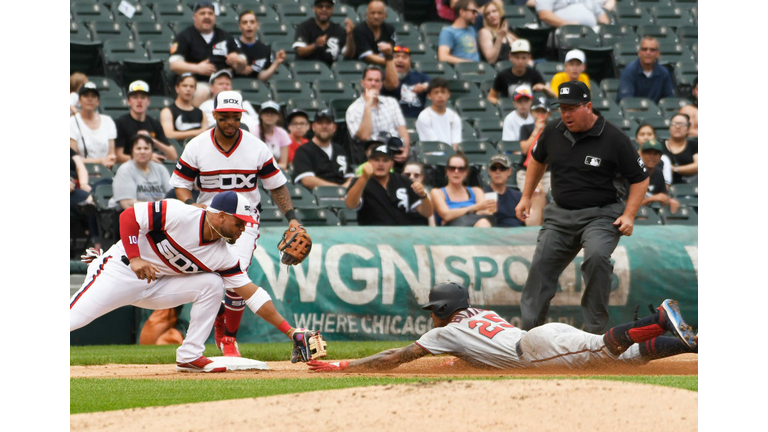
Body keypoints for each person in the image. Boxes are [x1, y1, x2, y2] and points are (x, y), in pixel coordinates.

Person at [70, 191, 316, 372]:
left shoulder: (222, 256)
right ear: (221, 217)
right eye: (239, 222)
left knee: (212, 283)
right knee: (74, 319)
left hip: (156, 284)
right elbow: (128, 217)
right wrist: (135, 258)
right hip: (121, 271)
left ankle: (190, 356)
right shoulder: (181, 213)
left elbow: (251, 293)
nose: (243, 229)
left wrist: (291, 331)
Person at [170, 91, 307, 358]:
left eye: (235, 117)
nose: (230, 122)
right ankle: (217, 317)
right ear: (215, 116)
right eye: (225, 117)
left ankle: (229, 337)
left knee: (237, 278)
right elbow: (181, 184)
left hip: (244, 220)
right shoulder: (197, 145)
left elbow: (276, 186)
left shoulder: (256, 146)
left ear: (241, 115)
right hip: (207, 219)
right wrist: (189, 206)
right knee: (202, 278)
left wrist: (292, 218)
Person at [308, 282, 697, 372]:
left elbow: (396, 357)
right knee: (625, 359)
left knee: (602, 349)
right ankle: (692, 343)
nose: (430, 314)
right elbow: (479, 349)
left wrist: (343, 365)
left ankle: (659, 318)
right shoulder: (478, 314)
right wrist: (467, 360)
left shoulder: (443, 332)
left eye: (433, 308)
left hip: (536, 351)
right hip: (540, 339)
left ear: (445, 309)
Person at [515, 81, 650, 334]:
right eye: (562, 108)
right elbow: (536, 159)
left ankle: (594, 334)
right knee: (540, 265)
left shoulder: (614, 138)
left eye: (572, 108)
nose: (565, 114)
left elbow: (641, 178)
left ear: (588, 106)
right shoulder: (553, 130)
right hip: (560, 215)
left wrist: (629, 215)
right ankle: (530, 335)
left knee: (597, 258)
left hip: (601, 215)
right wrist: (525, 197)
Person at [168, 1, 247, 106]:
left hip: (221, 83)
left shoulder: (225, 37)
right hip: (196, 83)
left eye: (210, 13)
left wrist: (238, 60)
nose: (207, 16)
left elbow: (242, 66)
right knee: (203, 91)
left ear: (215, 17)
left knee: (237, 95)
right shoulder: (185, 36)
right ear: (194, 16)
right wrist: (197, 68)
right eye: (202, 13)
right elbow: (174, 65)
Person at [344, 136, 433, 225]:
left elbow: (427, 213)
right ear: (369, 161)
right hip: (371, 235)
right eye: (376, 160)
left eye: (385, 160)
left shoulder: (402, 180)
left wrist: (423, 195)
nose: (380, 164)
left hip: (401, 234)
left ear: (392, 164)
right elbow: (350, 204)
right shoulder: (360, 181)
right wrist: (364, 178)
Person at [345, 65, 410, 166]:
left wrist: (405, 150)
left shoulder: (391, 102)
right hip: (371, 154)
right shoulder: (353, 109)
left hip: (394, 151)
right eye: (369, 80)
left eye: (377, 80)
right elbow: (364, 136)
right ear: (362, 83)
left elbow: (402, 129)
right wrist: (368, 105)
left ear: (381, 84)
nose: (373, 84)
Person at [114, 81, 178, 164]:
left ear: (148, 101)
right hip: (129, 167)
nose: (139, 101)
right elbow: (118, 156)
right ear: (128, 101)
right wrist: (146, 158)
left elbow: (173, 156)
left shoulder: (154, 123)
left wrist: (151, 140)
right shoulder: (120, 123)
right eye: (135, 97)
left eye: (143, 97)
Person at [292, 109, 354, 190]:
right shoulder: (304, 151)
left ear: (334, 128)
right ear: (313, 127)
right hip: (317, 197)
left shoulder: (339, 150)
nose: (324, 126)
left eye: (328, 123)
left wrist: (350, 184)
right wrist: (339, 188)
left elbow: (350, 176)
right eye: (320, 123)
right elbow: (307, 180)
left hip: (343, 197)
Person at [430, 153, 496, 227]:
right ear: (447, 171)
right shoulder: (437, 192)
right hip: (451, 233)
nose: (456, 171)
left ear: (466, 172)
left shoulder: (476, 191)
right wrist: (475, 208)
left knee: (483, 223)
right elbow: (446, 215)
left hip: (476, 228)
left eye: (461, 169)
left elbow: (486, 212)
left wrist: (454, 214)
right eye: (452, 168)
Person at [110, 134, 172, 210]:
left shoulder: (160, 169)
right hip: (130, 216)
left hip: (157, 214)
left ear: (152, 151)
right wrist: (156, 206)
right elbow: (127, 204)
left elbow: (171, 197)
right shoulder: (125, 170)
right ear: (132, 151)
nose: (142, 152)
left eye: (146, 148)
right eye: (138, 148)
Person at [515, 97, 551, 226]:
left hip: (548, 172)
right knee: (535, 194)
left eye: (543, 111)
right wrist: (536, 130)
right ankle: (533, 233)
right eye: (537, 111)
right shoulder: (526, 128)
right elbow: (524, 149)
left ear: (549, 114)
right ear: (532, 112)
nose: (540, 114)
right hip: (526, 171)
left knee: (546, 196)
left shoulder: (553, 129)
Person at [70, 82, 117, 169]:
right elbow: (73, 158)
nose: (90, 99)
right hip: (80, 170)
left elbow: (111, 154)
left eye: (93, 96)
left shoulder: (108, 121)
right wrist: (100, 161)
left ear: (98, 101)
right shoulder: (71, 122)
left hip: (105, 170)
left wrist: (109, 160)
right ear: (79, 101)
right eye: (86, 96)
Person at [487, 39, 550, 105]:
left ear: (529, 58)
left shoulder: (534, 74)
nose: (520, 62)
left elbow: (553, 96)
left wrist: (544, 88)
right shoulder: (503, 75)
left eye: (523, 58)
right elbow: (491, 97)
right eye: (517, 58)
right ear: (510, 57)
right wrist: (501, 104)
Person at [293, 0, 356, 66]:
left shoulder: (338, 30)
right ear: (314, 8)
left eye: (328, 7)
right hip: (307, 69)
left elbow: (349, 55)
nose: (324, 9)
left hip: (330, 70)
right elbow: (300, 51)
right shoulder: (305, 27)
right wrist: (315, 45)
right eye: (320, 6)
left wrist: (350, 35)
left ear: (332, 10)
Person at [617, 36, 675, 104]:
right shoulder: (629, 71)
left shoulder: (664, 73)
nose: (648, 53)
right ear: (639, 53)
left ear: (657, 54)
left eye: (652, 50)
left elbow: (669, 101)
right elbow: (626, 101)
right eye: (644, 49)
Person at [381, 45, 431, 119]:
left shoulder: (419, 76)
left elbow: (435, 84)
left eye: (404, 57)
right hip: (391, 120)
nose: (400, 60)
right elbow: (391, 85)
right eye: (396, 56)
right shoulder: (384, 75)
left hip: (416, 120)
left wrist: (425, 86)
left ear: (410, 61)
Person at [235, 10, 286, 81]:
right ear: (240, 26)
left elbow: (260, 78)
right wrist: (237, 69)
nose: (249, 25)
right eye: (245, 22)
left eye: (252, 22)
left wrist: (276, 63)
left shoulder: (264, 50)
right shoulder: (231, 45)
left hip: (254, 88)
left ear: (257, 25)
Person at [160, 73, 210, 142]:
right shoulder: (168, 111)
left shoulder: (201, 113)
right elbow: (168, 134)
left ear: (195, 90)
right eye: (184, 86)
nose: (188, 89)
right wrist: (195, 133)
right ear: (177, 88)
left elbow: (206, 133)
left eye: (191, 86)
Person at [415, 78, 462, 149]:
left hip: (450, 155)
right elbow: (432, 145)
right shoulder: (424, 116)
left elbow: (456, 143)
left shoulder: (454, 116)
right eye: (436, 92)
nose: (440, 95)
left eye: (443, 92)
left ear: (448, 94)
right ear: (429, 96)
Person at [637, 139, 679, 213]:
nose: (652, 157)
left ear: (660, 157)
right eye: (648, 153)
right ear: (641, 155)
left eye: (655, 154)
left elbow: (662, 196)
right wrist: (650, 199)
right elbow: (626, 203)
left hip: (651, 213)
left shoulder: (658, 173)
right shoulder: (634, 173)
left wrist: (669, 201)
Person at [351, 0, 397, 65]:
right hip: (364, 66)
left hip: (386, 65)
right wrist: (390, 62)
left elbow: (394, 50)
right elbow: (367, 56)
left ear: (385, 15)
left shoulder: (390, 29)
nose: (376, 16)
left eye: (380, 13)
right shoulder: (359, 30)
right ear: (367, 14)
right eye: (372, 13)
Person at [483, 154, 523, 227]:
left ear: (509, 172)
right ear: (489, 172)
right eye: (494, 168)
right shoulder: (481, 194)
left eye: (502, 168)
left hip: (518, 234)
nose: (498, 171)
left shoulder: (518, 196)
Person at [437, 0, 481, 64]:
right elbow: (443, 57)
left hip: (479, 70)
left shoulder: (472, 30)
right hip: (463, 71)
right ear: (462, 12)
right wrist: (468, 64)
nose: (476, 15)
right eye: (473, 12)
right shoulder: (448, 32)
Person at [253, 101, 292, 171]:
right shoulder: (253, 132)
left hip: (275, 172)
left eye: (273, 112)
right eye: (266, 112)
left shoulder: (282, 133)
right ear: (261, 115)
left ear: (278, 117)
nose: (269, 115)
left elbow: (283, 164)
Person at [477, 0, 517, 65]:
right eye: (488, 14)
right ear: (485, 18)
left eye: (494, 11)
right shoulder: (485, 32)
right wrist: (499, 38)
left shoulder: (508, 34)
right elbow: (491, 60)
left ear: (500, 13)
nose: (491, 15)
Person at [662, 113, 698, 185]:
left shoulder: (694, 145)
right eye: (674, 123)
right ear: (669, 127)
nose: (678, 127)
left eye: (682, 124)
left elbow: (697, 165)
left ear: (688, 129)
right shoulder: (660, 145)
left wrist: (674, 169)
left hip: (689, 185)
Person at [634, 123, 672, 189]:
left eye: (649, 134)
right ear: (636, 139)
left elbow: (666, 186)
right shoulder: (631, 157)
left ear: (655, 137)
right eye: (642, 134)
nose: (646, 137)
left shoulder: (664, 159)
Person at [535, 0, 610, 29]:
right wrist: (567, 24)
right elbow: (544, 14)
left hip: (591, 30)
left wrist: (605, 29)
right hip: (564, 30)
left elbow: (601, 15)